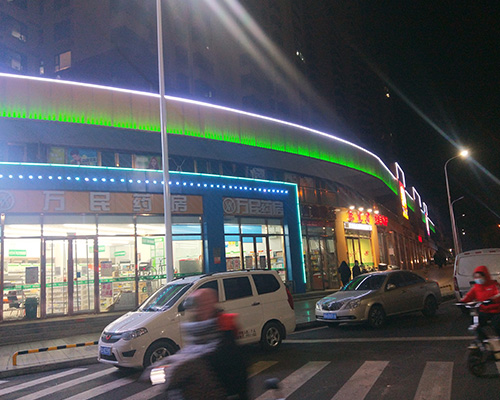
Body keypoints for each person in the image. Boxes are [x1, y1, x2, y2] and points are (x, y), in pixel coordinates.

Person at [152, 288, 248, 399]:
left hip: (222, 391)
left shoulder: (223, 327)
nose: (199, 308)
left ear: (212, 303)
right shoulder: (193, 330)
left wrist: (178, 368)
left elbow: (228, 362)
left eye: (204, 303)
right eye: (196, 304)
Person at [460, 265, 500, 341]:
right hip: (484, 311)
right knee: (475, 325)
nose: (478, 279)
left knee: (496, 324)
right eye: (476, 277)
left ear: (485, 276)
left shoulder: (494, 285)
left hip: (496, 311)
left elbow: (498, 294)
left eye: (479, 277)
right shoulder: (476, 287)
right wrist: (462, 302)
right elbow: (469, 296)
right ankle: (484, 341)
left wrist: (492, 300)